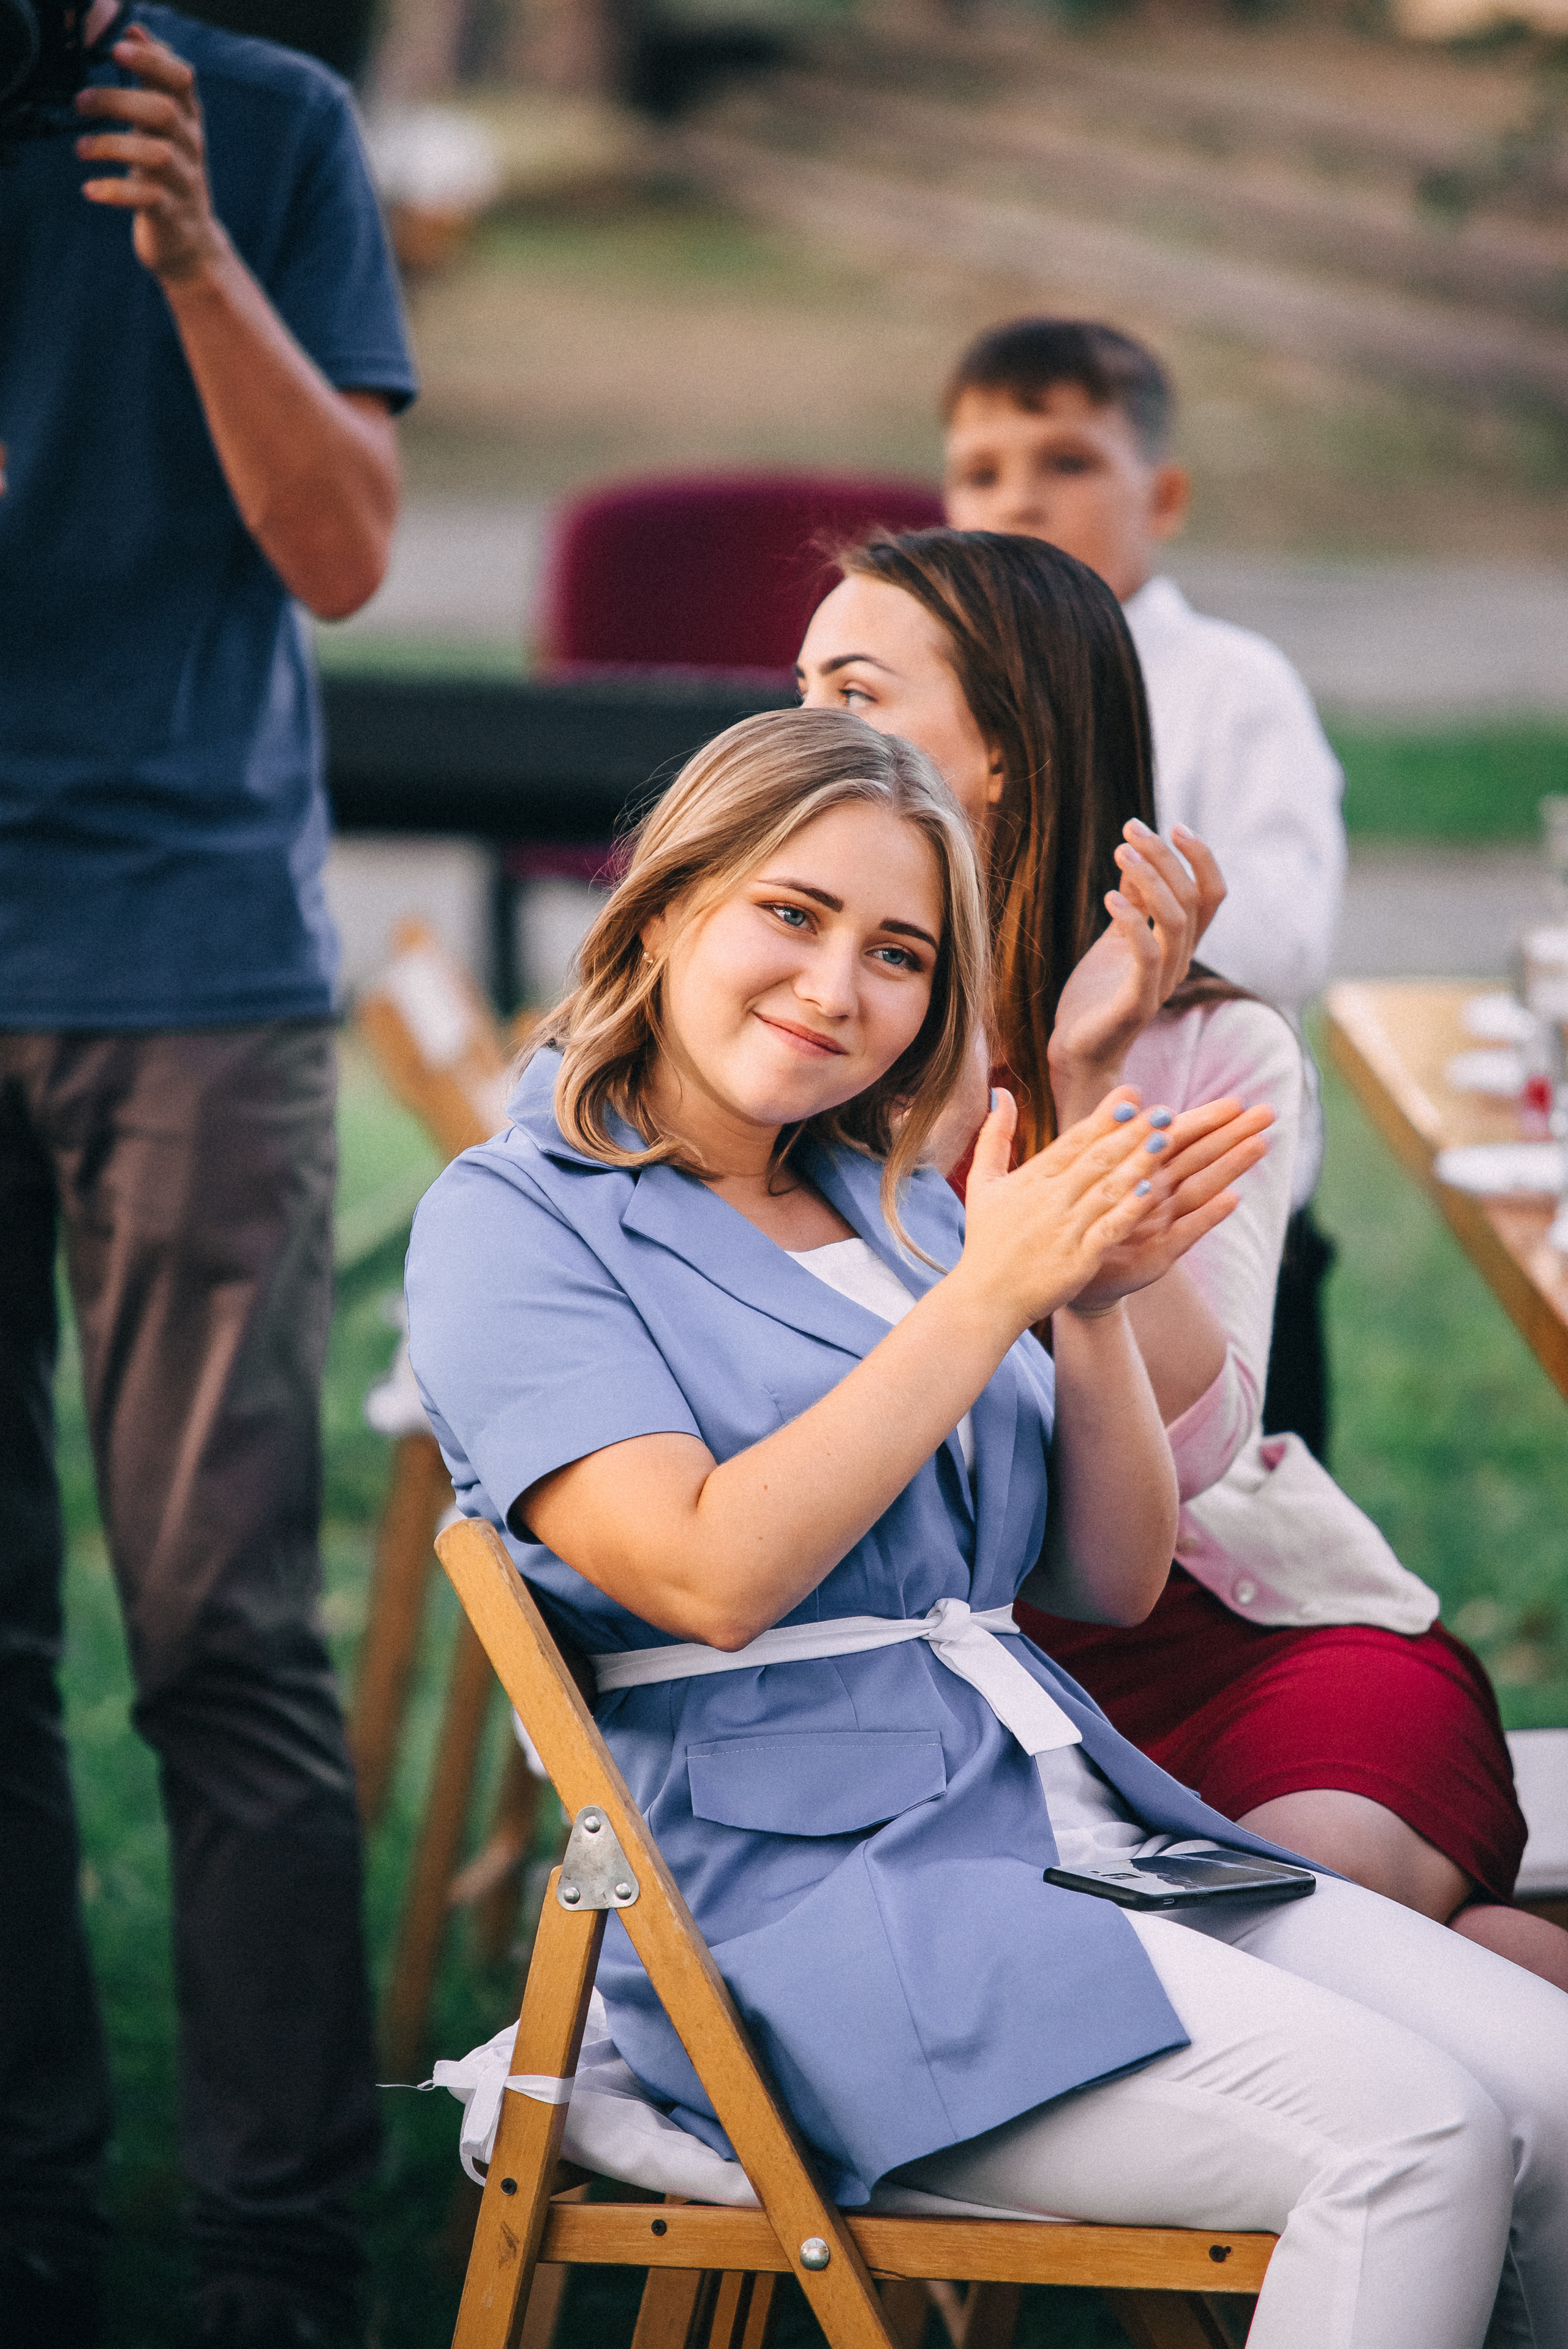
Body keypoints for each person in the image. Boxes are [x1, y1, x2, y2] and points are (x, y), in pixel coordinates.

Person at [407, 706, 1568, 2348]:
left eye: (897, 954)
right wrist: (983, 1295)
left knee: (1552, 2089)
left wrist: (1084, 1306)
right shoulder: (519, 1223)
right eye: (791, 914)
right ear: (663, 910)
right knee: (1416, 2139)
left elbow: (1106, 1575)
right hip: (819, 1922)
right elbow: (708, 1573)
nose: (835, 988)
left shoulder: (876, 1195)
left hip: (1072, 1833)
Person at [796, 526, 1568, 1992]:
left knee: (1301, 1918)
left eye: (855, 694)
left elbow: (1199, 1446)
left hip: (1237, 1638)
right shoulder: (798, 1018)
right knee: (1377, 1973)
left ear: (1004, 749)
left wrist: (1083, 1092)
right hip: (953, 1671)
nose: (802, 732)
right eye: (799, 690)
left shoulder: (1209, 1045)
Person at [0, 10, 416, 2345]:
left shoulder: (262, 129)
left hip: (186, 966)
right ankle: (25, 2209)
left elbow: (342, 553)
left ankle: (278, 2254)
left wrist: (189, 258)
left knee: (220, 1632)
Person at [942, 316, 1344, 1459]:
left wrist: (1094, 907)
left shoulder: (1233, 686)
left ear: (1161, 497)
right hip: (996, 1189)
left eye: (1067, 462)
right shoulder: (945, 690)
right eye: (981, 473)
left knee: (1223, 1477)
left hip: (1203, 1197)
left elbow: (1286, 933)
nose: (1020, 499)